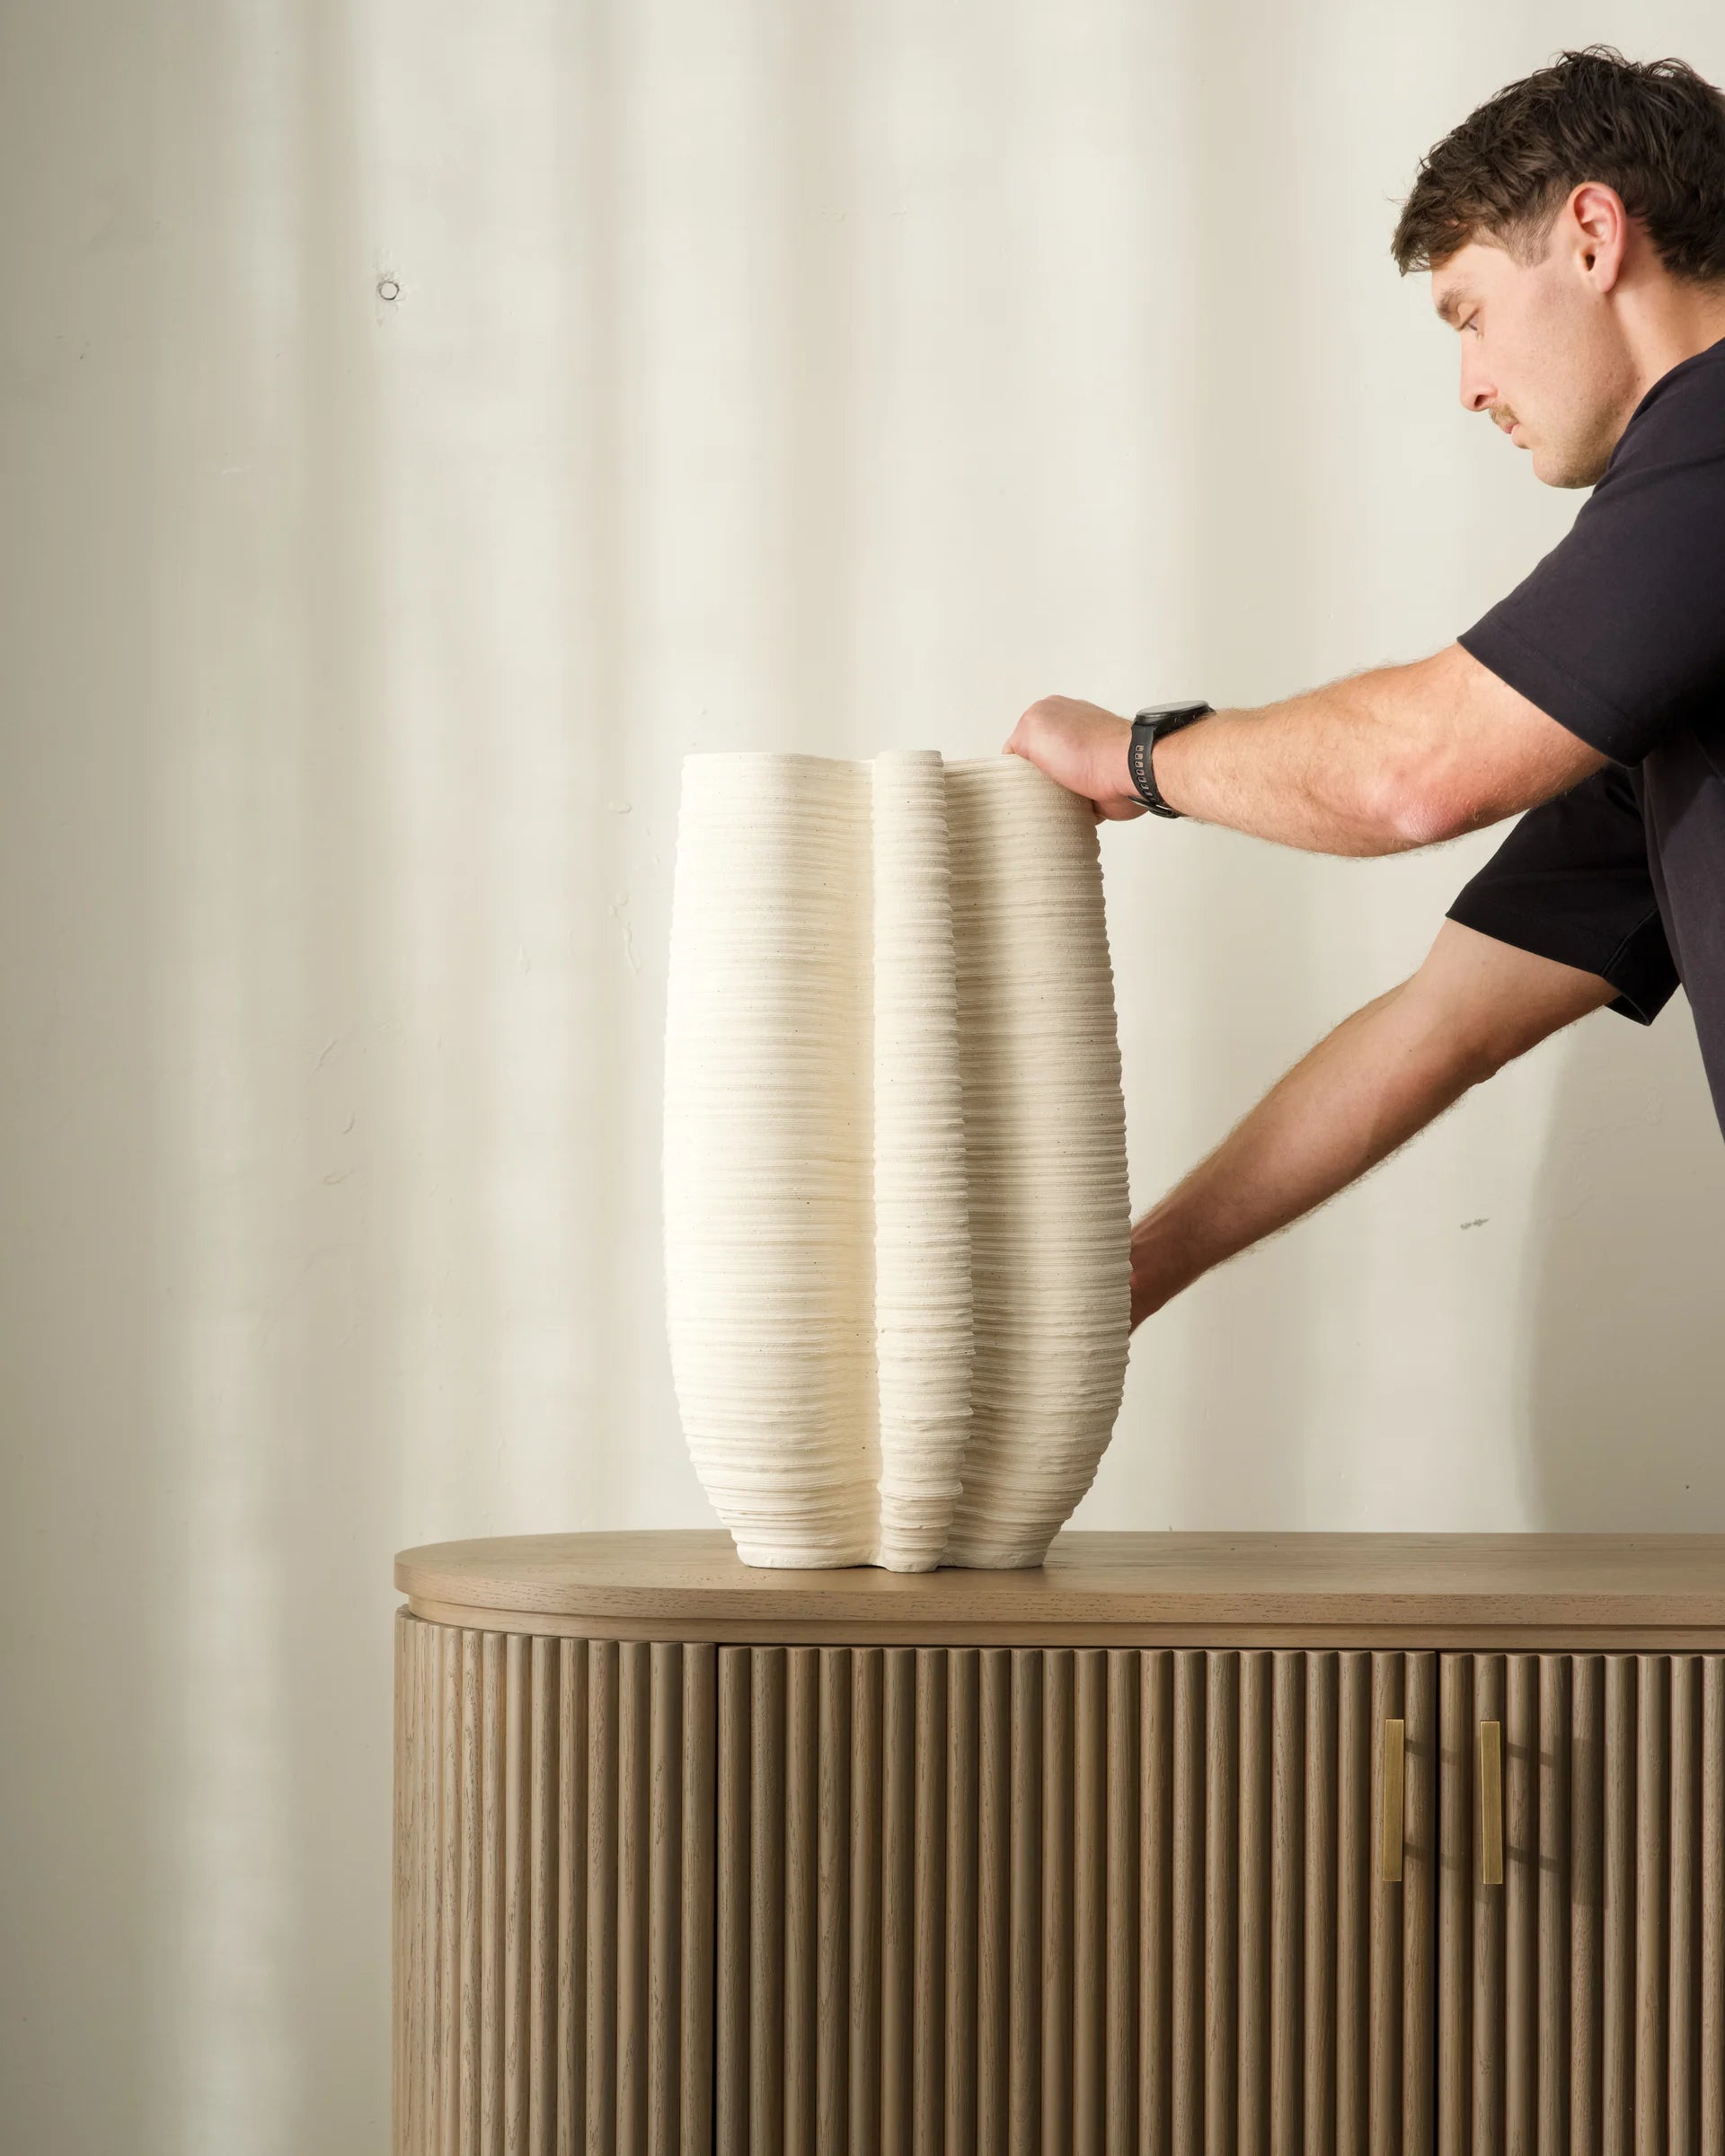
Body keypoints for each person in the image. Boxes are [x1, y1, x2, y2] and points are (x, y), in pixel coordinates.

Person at [1003, 44, 1725, 1334]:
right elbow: (1441, 1026)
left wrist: (1135, 755)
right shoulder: (1678, 639)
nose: (1471, 387)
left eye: (1469, 314)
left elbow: (1412, 775)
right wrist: (1131, 1275)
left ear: (1594, 234)